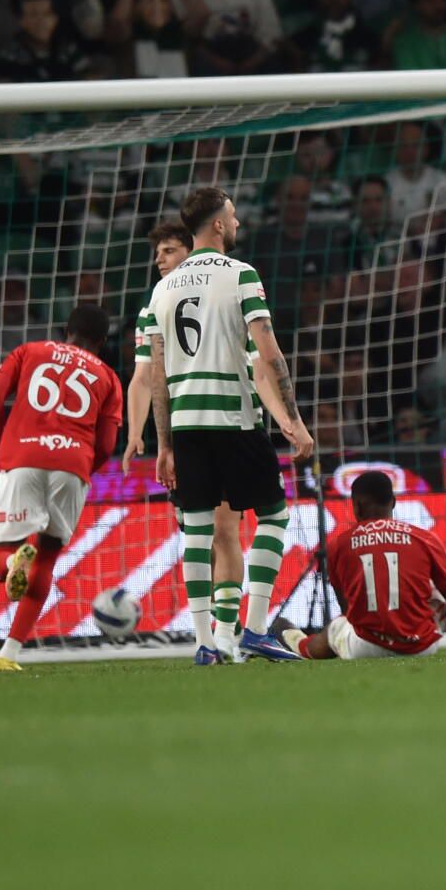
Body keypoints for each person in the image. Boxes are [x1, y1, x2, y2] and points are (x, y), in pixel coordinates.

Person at [143, 187, 316, 664]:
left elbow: (158, 375)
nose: (237, 223)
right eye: (233, 216)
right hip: (234, 418)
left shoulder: (162, 289)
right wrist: (294, 421)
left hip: (186, 423)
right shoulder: (241, 275)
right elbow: (269, 353)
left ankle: (204, 642)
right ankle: (256, 629)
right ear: (218, 224)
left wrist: (164, 445)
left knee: (198, 533)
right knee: (273, 515)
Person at [0, 304, 124, 671]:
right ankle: (9, 654)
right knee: (46, 558)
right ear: (102, 342)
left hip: (23, 456)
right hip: (73, 464)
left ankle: (13, 562)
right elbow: (107, 444)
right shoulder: (109, 377)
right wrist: (81, 468)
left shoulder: (30, 351)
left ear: (67, 330)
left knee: (2, 556)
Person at [129, 222, 246, 643]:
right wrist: (137, 433)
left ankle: (226, 632)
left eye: (168, 251)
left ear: (190, 249)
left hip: (227, 422)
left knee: (223, 530)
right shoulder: (154, 306)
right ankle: (217, 628)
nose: (159, 260)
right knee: (198, 533)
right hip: (184, 432)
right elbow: (145, 377)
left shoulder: (226, 289)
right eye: (156, 253)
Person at [296, 470, 446, 660]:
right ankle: (429, 626)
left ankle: (299, 645)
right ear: (394, 502)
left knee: (335, 628)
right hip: (422, 647)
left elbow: (348, 610)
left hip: (366, 648)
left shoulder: (338, 545)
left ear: (357, 505)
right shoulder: (424, 539)